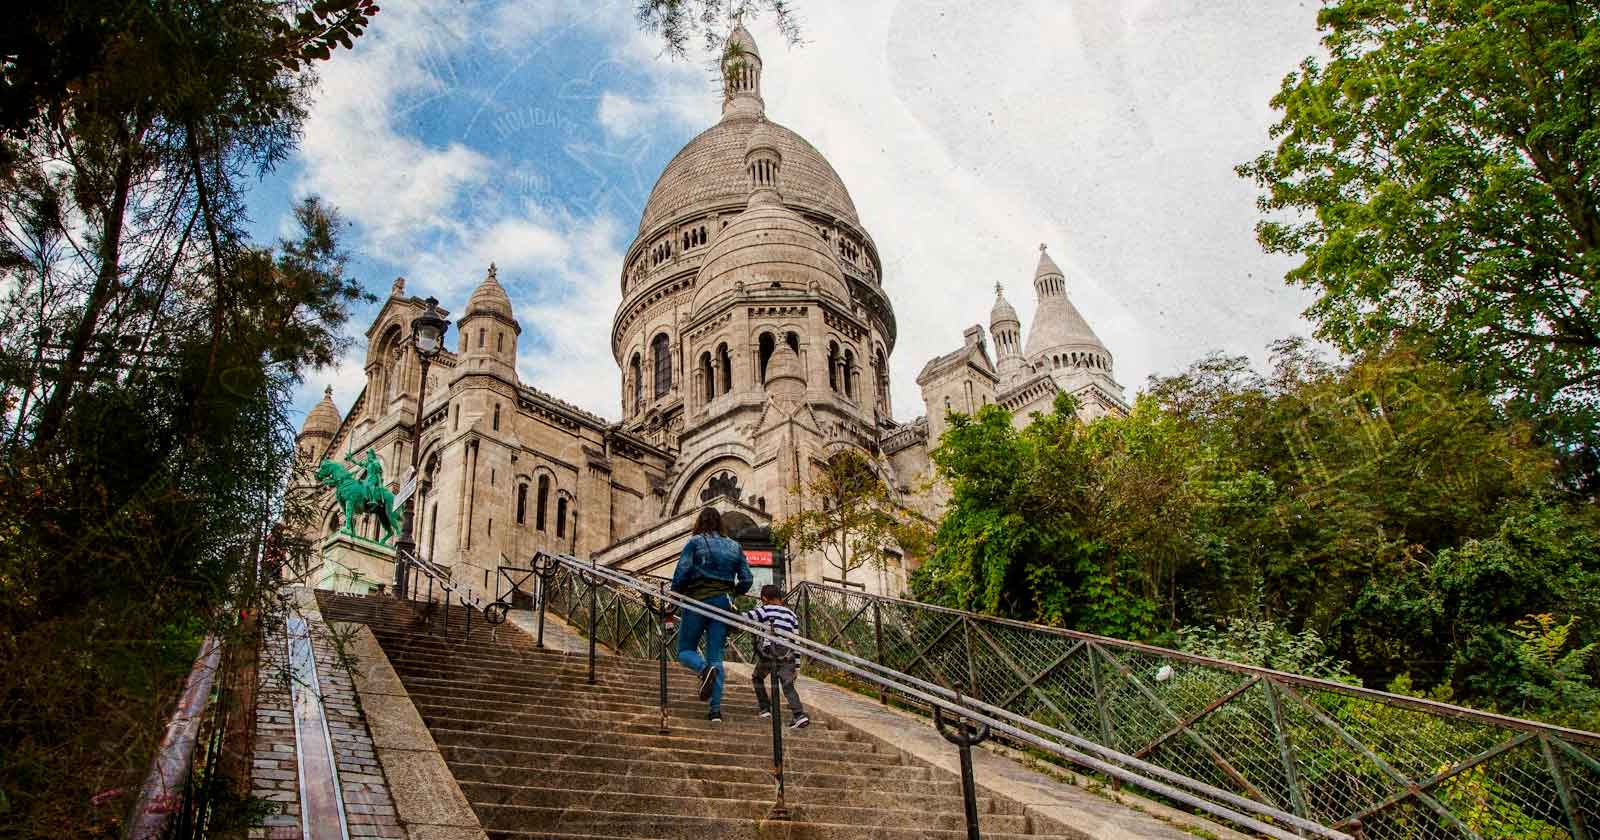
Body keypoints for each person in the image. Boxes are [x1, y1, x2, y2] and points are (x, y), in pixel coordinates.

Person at [670, 508, 753, 722]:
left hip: (697, 601)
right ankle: (715, 711)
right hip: (722, 604)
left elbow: (681, 573)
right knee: (717, 657)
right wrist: (733, 592)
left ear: (700, 522)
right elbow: (747, 579)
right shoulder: (735, 546)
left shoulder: (695, 542)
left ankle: (703, 669)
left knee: (685, 650)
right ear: (720, 524)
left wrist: (673, 599)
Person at [745, 584, 809, 729]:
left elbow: (746, 617)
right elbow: (796, 641)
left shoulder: (765, 609)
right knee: (788, 686)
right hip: (788, 653)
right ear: (780, 598)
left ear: (765, 598)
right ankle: (799, 715)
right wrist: (797, 666)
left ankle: (765, 708)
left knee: (757, 677)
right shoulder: (791, 615)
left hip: (770, 652)